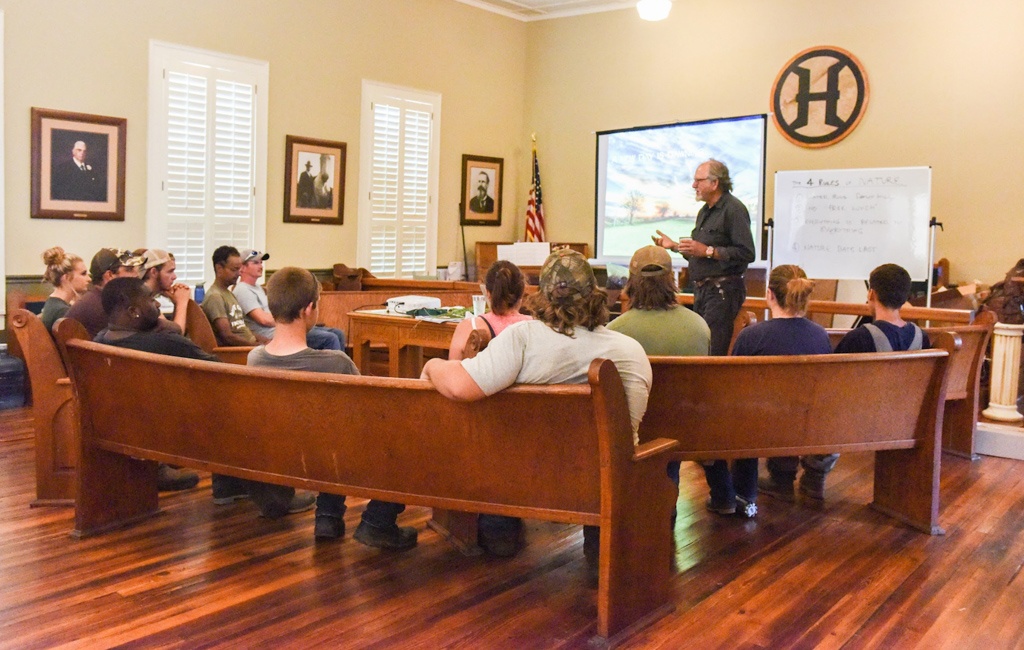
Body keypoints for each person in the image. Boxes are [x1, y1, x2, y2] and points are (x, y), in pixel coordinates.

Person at [421, 248, 651, 558]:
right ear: (595, 295)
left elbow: (460, 388)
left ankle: (499, 530)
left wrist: (433, 365)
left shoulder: (521, 339)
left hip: (522, 477)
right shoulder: (630, 351)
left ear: (542, 295)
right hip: (604, 482)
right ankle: (601, 547)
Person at [246, 267, 416, 548]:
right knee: (398, 433)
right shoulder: (335, 362)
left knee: (330, 435)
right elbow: (367, 414)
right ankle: (377, 521)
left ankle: (328, 517)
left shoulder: (254, 359)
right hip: (332, 454)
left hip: (284, 455)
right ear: (309, 308)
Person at [760, 264, 933, 502]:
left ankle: (809, 475)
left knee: (820, 404)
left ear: (871, 294)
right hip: (906, 421)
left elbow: (831, 384)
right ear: (906, 297)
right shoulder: (922, 337)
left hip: (857, 425)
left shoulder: (860, 337)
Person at [703, 264, 831, 518]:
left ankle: (740, 493)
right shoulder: (820, 336)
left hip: (759, 426)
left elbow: (733, 385)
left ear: (769, 295)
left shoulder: (753, 336)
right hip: (808, 423)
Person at [607, 245, 710, 494]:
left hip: (635, 430)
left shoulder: (615, 331)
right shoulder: (699, 326)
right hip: (687, 426)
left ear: (631, 283)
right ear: (672, 281)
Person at [92, 276, 208, 493]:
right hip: (163, 426)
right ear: (134, 311)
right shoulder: (165, 344)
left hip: (113, 426)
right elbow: (220, 372)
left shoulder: (98, 342)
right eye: (150, 299)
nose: (156, 304)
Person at [651, 159, 756, 356]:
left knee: (711, 352)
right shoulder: (704, 212)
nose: (693, 185)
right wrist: (674, 246)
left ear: (715, 183)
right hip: (703, 291)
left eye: (699, 180)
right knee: (700, 348)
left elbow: (747, 253)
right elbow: (698, 255)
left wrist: (709, 251)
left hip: (722, 292)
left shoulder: (734, 209)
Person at [231, 249, 346, 351]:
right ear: (242, 267)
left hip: (286, 327)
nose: (260, 266)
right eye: (255, 263)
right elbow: (263, 319)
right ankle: (333, 375)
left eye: (261, 262)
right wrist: (292, 319)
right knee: (330, 339)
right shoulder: (242, 290)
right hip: (275, 334)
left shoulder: (258, 288)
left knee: (338, 333)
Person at [447, 260, 530, 361]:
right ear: (522, 293)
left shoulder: (469, 327)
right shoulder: (536, 326)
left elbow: (454, 370)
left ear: (488, 293)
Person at [66, 248, 145, 337]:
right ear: (110, 275)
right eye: (129, 270)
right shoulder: (104, 307)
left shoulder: (97, 299)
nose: (137, 274)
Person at [201, 245, 266, 347]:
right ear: (219, 269)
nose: (239, 274)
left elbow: (242, 329)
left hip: (250, 347)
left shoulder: (229, 294)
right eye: (234, 269)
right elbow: (227, 337)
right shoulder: (215, 297)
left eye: (239, 269)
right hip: (238, 352)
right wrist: (256, 347)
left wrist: (266, 342)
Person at [39, 247, 90, 332]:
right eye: (83, 274)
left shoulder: (54, 304)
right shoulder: (62, 311)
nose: (89, 279)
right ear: (66, 277)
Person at [139, 249, 191, 334]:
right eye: (170, 271)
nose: (174, 277)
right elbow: (176, 336)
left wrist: (176, 303)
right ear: (154, 272)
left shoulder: (144, 295)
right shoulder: (143, 300)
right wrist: (182, 303)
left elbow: (171, 331)